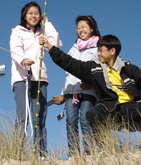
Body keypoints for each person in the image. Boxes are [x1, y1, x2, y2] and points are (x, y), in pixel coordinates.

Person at [39, 34, 141, 148]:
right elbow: (70, 64)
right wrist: (50, 48)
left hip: (129, 108)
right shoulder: (94, 68)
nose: (98, 54)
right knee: (92, 113)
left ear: (112, 51)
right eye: (97, 50)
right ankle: (105, 148)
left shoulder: (127, 68)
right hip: (109, 108)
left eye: (101, 50)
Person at [9, 1, 62, 158]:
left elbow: (56, 43)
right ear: (24, 15)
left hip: (40, 78)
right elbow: (15, 49)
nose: (33, 16)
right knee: (23, 116)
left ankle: (41, 153)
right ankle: (17, 153)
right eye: (30, 13)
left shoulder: (42, 33)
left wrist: (47, 23)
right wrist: (23, 60)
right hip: (22, 78)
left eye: (36, 13)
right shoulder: (17, 31)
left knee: (39, 115)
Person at [51, 16, 100, 157]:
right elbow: (69, 74)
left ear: (92, 28)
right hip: (70, 92)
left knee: (85, 120)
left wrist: (90, 81)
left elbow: (99, 70)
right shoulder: (73, 48)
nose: (81, 30)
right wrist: (62, 93)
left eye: (84, 27)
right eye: (78, 28)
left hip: (88, 91)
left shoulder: (98, 47)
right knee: (70, 121)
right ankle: (74, 154)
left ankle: (89, 153)